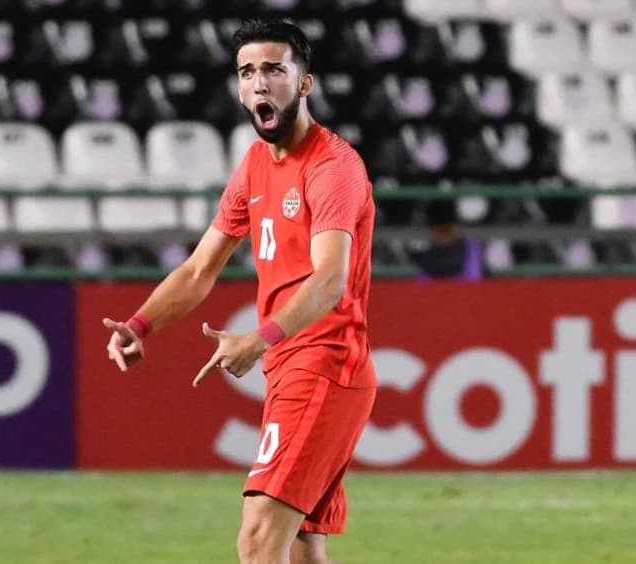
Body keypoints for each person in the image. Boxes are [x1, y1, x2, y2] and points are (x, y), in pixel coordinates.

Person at [102, 18, 377, 564]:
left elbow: (329, 281)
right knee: (300, 550)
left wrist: (259, 339)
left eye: (274, 69)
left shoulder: (332, 167)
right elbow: (200, 268)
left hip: (323, 366)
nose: (258, 83)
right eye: (247, 71)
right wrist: (139, 324)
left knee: (257, 540)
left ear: (304, 84)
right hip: (295, 370)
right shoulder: (255, 166)